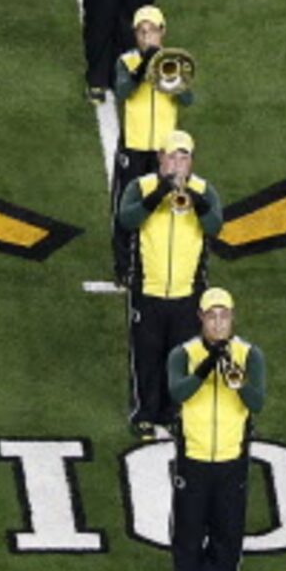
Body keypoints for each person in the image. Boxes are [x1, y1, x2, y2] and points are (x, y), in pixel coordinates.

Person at [166, 287, 266, 571]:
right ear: (201, 318)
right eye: (212, 316)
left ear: (232, 317)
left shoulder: (250, 354)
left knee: (227, 527)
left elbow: (257, 402)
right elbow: (179, 392)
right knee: (188, 526)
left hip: (230, 455)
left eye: (224, 315)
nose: (219, 322)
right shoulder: (184, 353)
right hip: (193, 454)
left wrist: (236, 381)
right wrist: (208, 365)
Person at [119, 135, 223, 438]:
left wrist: (193, 197)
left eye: (184, 158)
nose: (178, 164)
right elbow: (127, 219)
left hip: (188, 291)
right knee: (147, 355)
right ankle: (145, 413)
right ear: (160, 158)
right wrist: (160, 193)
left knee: (180, 357)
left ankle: (173, 413)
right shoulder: (140, 187)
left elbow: (215, 226)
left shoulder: (204, 190)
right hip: (148, 289)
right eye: (173, 158)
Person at [109, 9, 193, 289]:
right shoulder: (126, 60)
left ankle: (159, 268)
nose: (147, 37)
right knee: (126, 206)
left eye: (152, 30)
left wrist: (169, 73)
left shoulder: (172, 63)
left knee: (167, 205)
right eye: (142, 32)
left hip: (166, 152)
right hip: (133, 147)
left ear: (162, 31)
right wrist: (143, 66)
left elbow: (189, 99)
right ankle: (124, 268)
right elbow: (122, 92)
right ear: (136, 35)